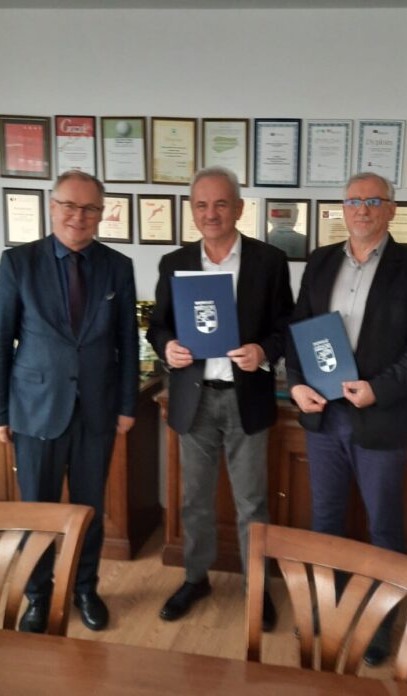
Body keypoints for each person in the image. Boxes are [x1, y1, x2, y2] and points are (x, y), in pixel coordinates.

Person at [286, 172, 407, 665]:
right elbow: (298, 329)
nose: (362, 209)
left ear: (391, 209)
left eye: (373, 201)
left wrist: (380, 388)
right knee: (325, 519)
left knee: (384, 527)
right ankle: (328, 609)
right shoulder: (320, 261)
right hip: (323, 417)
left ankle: (381, 621)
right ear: (343, 208)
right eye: (354, 201)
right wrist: (296, 383)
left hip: (382, 416)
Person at [0, 170, 139, 633]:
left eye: (90, 208)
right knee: (37, 510)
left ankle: (85, 588)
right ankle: (38, 596)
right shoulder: (19, 263)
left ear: (101, 214)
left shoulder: (117, 266)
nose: (79, 216)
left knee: (89, 511)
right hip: (35, 410)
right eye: (70, 206)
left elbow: (127, 344)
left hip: (97, 411)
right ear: (52, 208)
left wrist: (127, 406)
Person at [147, 166, 293, 632]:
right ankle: (195, 578)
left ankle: (256, 588)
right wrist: (167, 346)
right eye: (202, 205)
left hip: (246, 398)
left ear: (239, 208)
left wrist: (263, 351)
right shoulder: (175, 262)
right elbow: (158, 325)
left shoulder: (269, 261)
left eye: (221, 204)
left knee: (252, 503)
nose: (211, 214)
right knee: (194, 501)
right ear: (192, 211)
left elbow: (285, 326)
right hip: (194, 400)